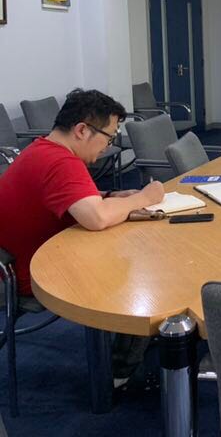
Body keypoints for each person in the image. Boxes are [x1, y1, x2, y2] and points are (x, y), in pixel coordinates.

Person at [0, 88, 165, 386]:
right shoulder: (61, 162)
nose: (108, 146)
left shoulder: (41, 149)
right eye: (108, 138)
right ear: (82, 130)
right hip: (31, 274)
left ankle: (139, 337)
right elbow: (96, 217)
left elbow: (67, 196)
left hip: (17, 260)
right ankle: (119, 372)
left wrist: (111, 195)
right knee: (142, 266)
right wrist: (143, 197)